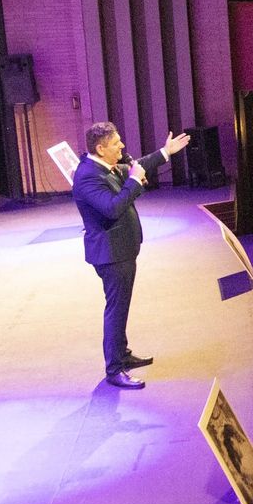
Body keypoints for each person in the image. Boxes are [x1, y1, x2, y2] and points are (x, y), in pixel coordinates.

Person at [72, 121, 190, 388]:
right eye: (116, 143)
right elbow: (112, 208)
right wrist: (135, 181)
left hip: (122, 249)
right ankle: (114, 370)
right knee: (116, 310)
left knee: (121, 307)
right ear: (101, 148)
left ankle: (122, 355)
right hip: (110, 254)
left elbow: (136, 166)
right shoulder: (88, 176)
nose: (122, 146)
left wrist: (165, 152)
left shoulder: (103, 166)